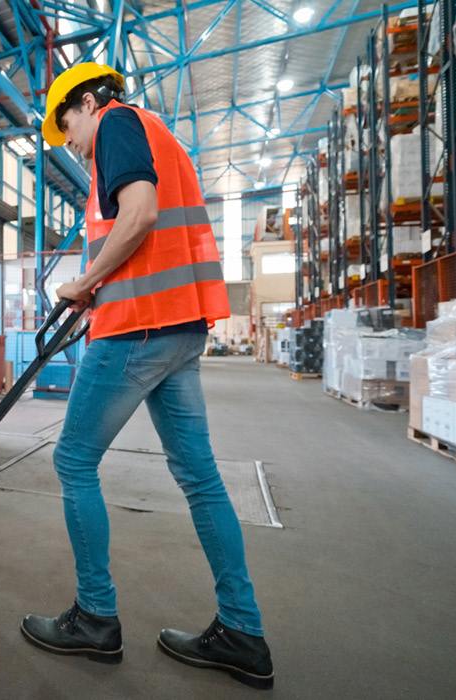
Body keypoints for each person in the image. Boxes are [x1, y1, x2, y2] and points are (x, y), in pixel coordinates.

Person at [18, 63, 274, 690]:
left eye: (66, 126)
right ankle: (242, 630)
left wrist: (85, 281)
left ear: (87, 103)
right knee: (199, 476)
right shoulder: (160, 135)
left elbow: (139, 214)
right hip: (180, 327)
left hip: (138, 326)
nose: (71, 143)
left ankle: (94, 618)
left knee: (73, 460)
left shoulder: (117, 125)